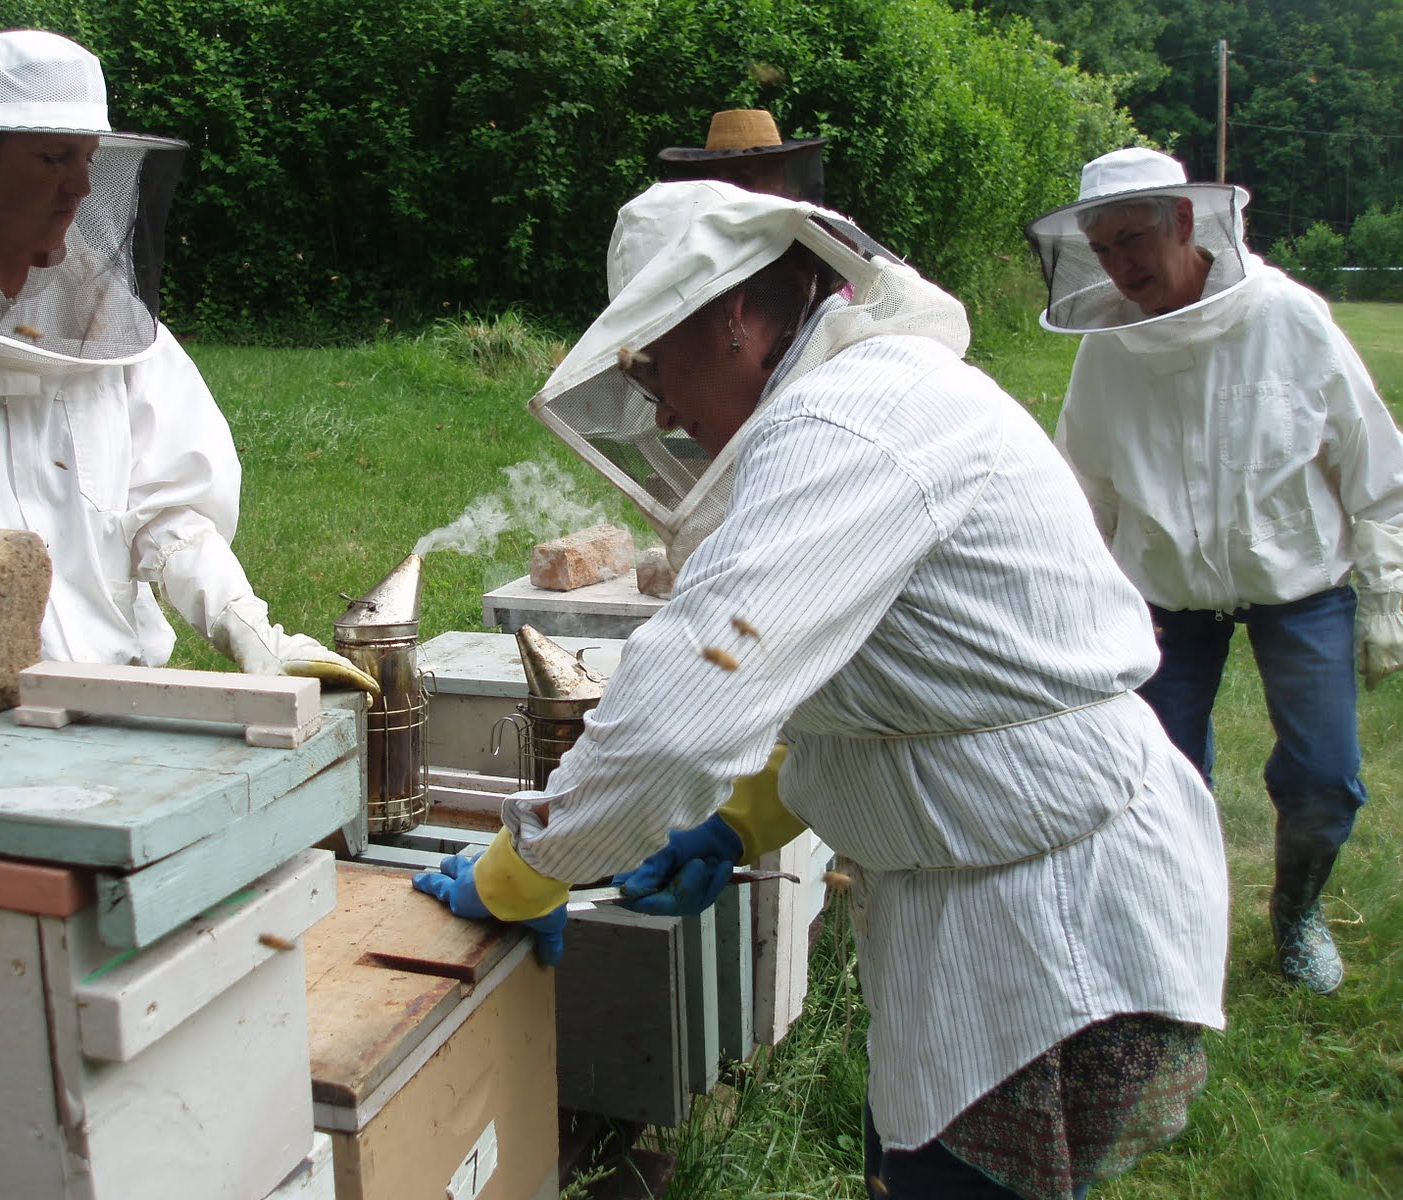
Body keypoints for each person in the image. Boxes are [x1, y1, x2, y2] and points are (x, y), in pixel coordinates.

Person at [416, 179, 1229, 1200]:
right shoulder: (857, 406)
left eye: (654, 364)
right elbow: (898, 692)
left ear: (735, 316)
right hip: (984, 883)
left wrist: (525, 868)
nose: (660, 407)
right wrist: (744, 821)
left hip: (1046, 913)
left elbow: (678, 716)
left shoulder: (853, 422)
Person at [0, 30, 376, 693]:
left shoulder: (111, 328)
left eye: (89, 159)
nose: (79, 186)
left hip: (113, 707)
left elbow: (170, 514)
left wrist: (244, 625)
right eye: (53, 159)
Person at [1026, 147, 1403, 994]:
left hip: (1300, 584)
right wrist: (1085, 609)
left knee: (1324, 776)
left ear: (1187, 222)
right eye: (1101, 246)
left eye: (1132, 240)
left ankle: (1298, 914)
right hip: (1166, 594)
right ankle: (1179, 927)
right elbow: (1080, 495)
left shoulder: (1290, 319)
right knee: (1158, 780)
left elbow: (1376, 471)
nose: (1119, 266)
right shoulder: (1108, 349)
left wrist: (1386, 596)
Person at [657, 108, 827, 203]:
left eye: (742, 179)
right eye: (717, 180)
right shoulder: (686, 240)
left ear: (779, 178)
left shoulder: (809, 246)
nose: (729, 189)